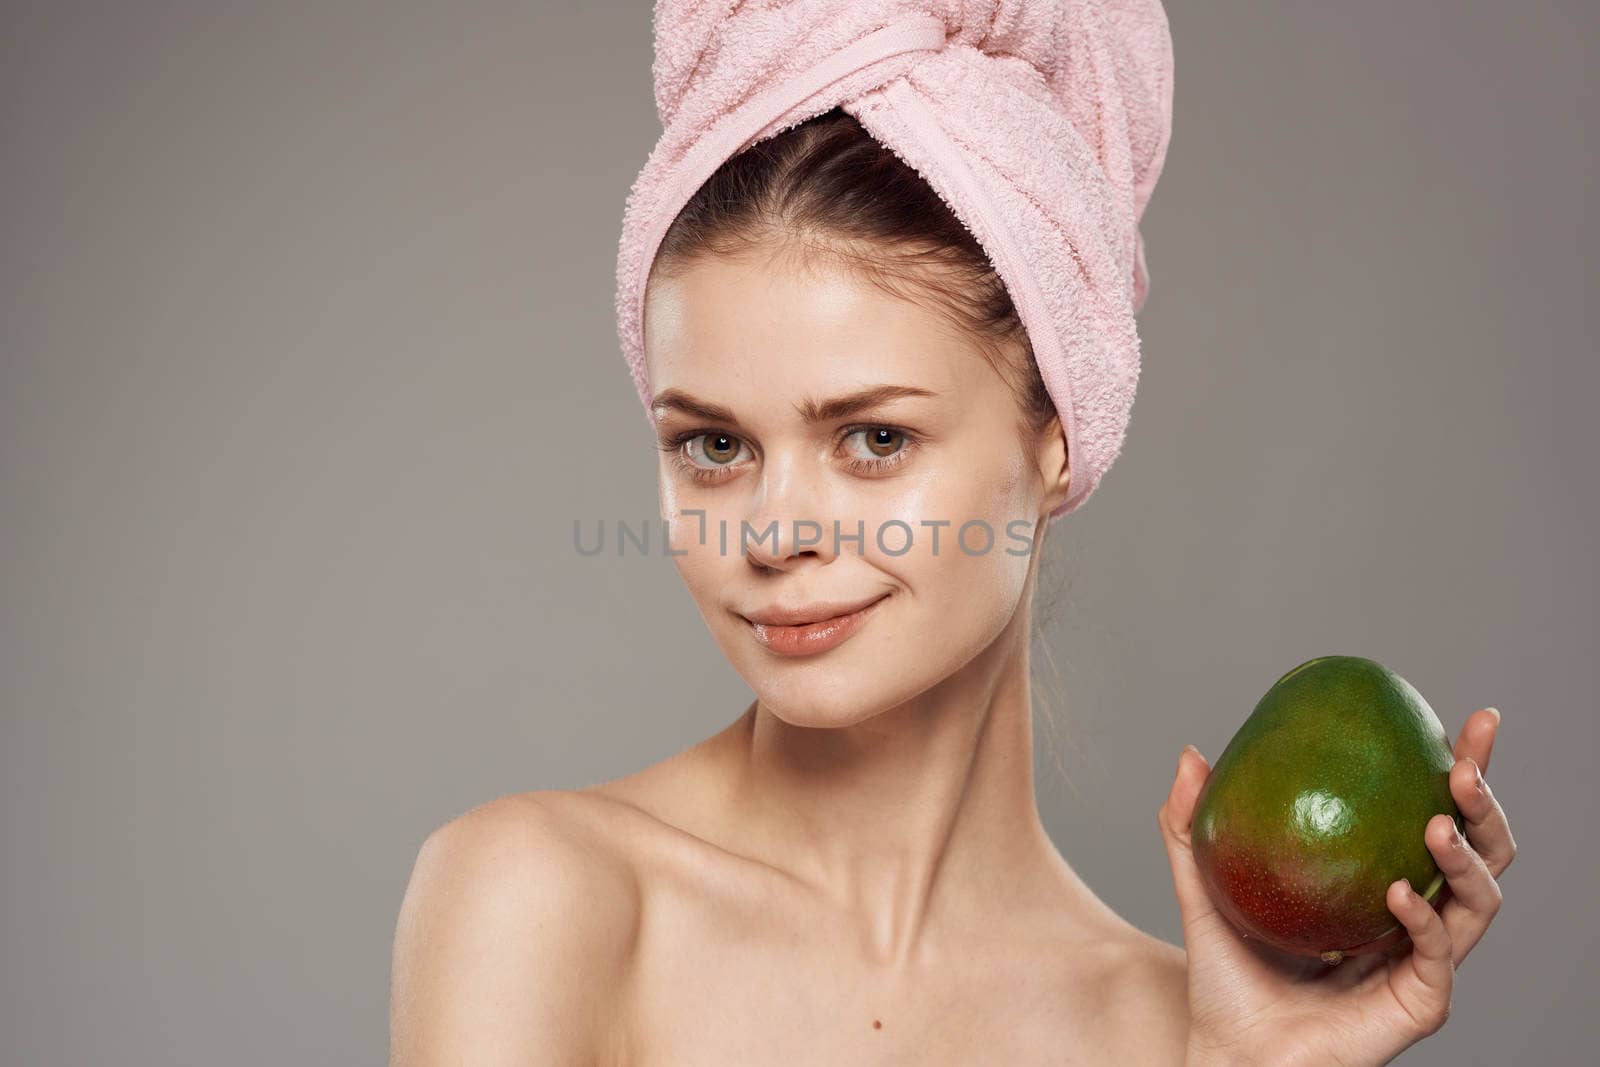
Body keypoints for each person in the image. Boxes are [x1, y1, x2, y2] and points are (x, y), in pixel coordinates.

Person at [390, 9, 1516, 1065]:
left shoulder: (1174, 1029)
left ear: (1056, 434)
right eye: (714, 446)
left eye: (873, 437)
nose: (774, 534)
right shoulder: (543, 900)